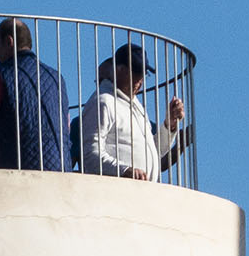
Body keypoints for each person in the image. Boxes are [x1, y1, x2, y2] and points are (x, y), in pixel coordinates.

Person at [0, 18, 72, 171]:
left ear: (9, 41)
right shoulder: (56, 77)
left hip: (15, 166)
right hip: (59, 167)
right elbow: (66, 125)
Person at [78, 43, 184, 181]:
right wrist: (124, 170)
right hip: (117, 193)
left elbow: (154, 151)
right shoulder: (103, 102)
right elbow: (89, 155)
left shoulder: (136, 106)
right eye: (134, 73)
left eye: (143, 74)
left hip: (140, 193)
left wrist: (170, 125)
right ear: (118, 70)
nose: (139, 81)